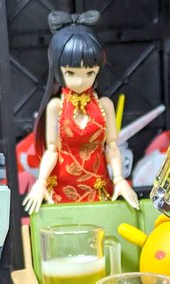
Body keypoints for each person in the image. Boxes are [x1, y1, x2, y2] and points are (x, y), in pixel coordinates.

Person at [23, 10, 139, 213]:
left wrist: (119, 179)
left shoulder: (104, 105)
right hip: (62, 189)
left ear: (98, 70)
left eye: (89, 73)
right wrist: (40, 181)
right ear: (58, 70)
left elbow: (112, 146)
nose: (80, 81)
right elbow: (52, 149)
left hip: (97, 187)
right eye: (70, 73)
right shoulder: (56, 107)